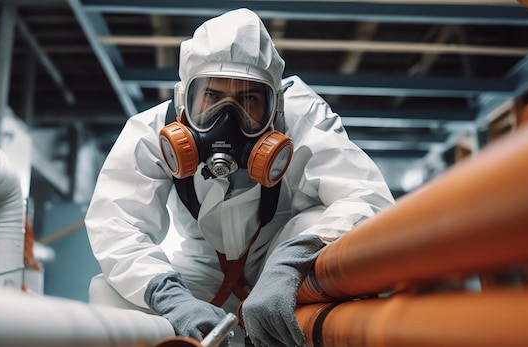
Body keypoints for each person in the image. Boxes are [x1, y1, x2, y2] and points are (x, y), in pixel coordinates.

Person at [85, 8, 394, 347]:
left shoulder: (302, 119)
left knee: (324, 224)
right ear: (183, 100)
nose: (228, 119)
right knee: (108, 292)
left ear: (274, 107)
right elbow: (115, 224)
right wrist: (173, 300)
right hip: (200, 273)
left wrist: (291, 263)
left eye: (248, 99)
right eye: (211, 97)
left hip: (283, 268)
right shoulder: (151, 132)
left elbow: (369, 198)